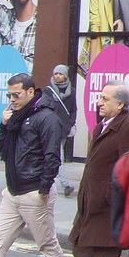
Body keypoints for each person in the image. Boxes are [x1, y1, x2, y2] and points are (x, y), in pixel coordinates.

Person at [0, 73, 67, 257]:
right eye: (9, 96)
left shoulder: (47, 117)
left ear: (30, 91)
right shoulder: (16, 116)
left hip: (34, 193)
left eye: (16, 95)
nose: (12, 100)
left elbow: (52, 156)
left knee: (48, 247)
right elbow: (2, 148)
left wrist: (43, 189)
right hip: (12, 193)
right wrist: (4, 125)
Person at [69, 81, 129, 257]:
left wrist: (110, 195)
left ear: (120, 105)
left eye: (105, 99)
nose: (99, 102)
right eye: (100, 97)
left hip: (109, 210)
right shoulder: (101, 126)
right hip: (90, 207)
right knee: (80, 251)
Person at [44, 64, 77, 196]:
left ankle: (56, 183)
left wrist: (70, 123)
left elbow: (73, 109)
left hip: (63, 128)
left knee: (56, 155)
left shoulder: (72, 91)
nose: (57, 76)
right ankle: (64, 184)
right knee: (57, 156)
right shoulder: (48, 90)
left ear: (65, 75)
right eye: (56, 73)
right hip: (51, 128)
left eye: (60, 74)